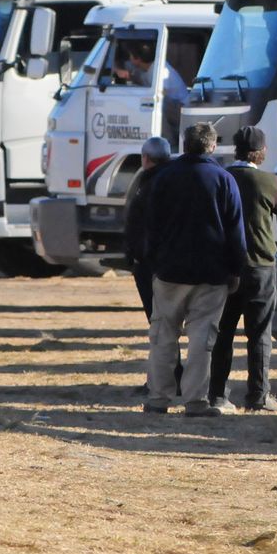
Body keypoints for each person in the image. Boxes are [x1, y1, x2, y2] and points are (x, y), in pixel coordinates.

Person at [142, 122, 246, 417]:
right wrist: (235, 268)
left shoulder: (164, 178)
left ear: (183, 144)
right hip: (211, 274)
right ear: (212, 146)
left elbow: (151, 225)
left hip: (170, 272)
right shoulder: (224, 180)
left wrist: (155, 262)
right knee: (202, 339)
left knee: (163, 335)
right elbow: (235, 231)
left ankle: (159, 397)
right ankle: (196, 400)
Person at [208, 126, 277, 413]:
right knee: (259, 333)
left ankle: (218, 394)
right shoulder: (265, 181)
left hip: (224, 266)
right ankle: (258, 396)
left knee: (223, 333)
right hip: (259, 266)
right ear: (260, 153)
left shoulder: (222, 178)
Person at [123, 136, 180, 394]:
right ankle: (165, 377)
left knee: (160, 324)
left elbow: (143, 225)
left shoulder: (150, 183)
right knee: (163, 324)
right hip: (159, 260)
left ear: (146, 158)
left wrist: (138, 256)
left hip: (152, 264)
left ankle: (166, 379)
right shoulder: (169, 178)